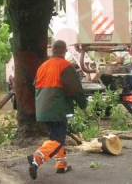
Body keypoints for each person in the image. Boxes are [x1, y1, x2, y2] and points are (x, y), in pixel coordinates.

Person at [27, 40, 87, 180]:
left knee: (55, 138)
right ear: (64, 51)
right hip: (57, 108)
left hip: (43, 109)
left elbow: (34, 85)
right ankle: (36, 159)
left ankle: (61, 165)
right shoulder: (65, 66)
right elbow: (75, 89)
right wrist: (83, 106)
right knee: (58, 140)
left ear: (52, 51)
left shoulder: (42, 66)